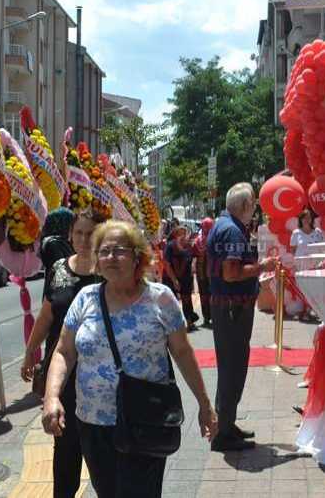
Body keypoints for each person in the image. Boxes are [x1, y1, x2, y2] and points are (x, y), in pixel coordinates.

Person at [42, 220, 218, 496]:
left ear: (138, 256)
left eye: (119, 250)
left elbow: (183, 353)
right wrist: (52, 396)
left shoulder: (161, 299)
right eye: (104, 251)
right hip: (93, 422)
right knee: (108, 492)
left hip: (146, 418)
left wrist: (205, 404)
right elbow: (64, 351)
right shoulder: (85, 298)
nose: (110, 257)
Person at [20, 209, 100, 498]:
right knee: (65, 446)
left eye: (90, 233)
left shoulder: (108, 271)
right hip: (63, 370)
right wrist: (31, 351)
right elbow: (46, 315)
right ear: (70, 235)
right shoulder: (58, 270)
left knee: (101, 447)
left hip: (99, 374)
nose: (83, 238)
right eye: (78, 232)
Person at [206, 183, 277, 451]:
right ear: (245, 206)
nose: (256, 209)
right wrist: (262, 267)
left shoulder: (225, 225)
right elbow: (231, 273)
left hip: (230, 307)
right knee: (232, 369)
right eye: (254, 204)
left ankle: (226, 424)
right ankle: (223, 433)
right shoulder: (232, 230)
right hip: (233, 308)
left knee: (231, 367)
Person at [164, 226, 199, 331]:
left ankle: (189, 322)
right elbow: (167, 264)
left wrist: (193, 265)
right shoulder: (170, 246)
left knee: (187, 300)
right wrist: (174, 280)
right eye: (180, 233)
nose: (183, 235)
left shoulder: (188, 246)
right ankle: (173, 326)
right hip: (171, 277)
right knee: (171, 302)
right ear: (175, 234)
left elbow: (193, 258)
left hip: (186, 278)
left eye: (185, 233)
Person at [193, 218, 214, 327]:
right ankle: (210, 316)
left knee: (206, 295)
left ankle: (208, 317)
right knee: (208, 295)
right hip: (208, 271)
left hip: (205, 272)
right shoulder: (215, 238)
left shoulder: (198, 240)